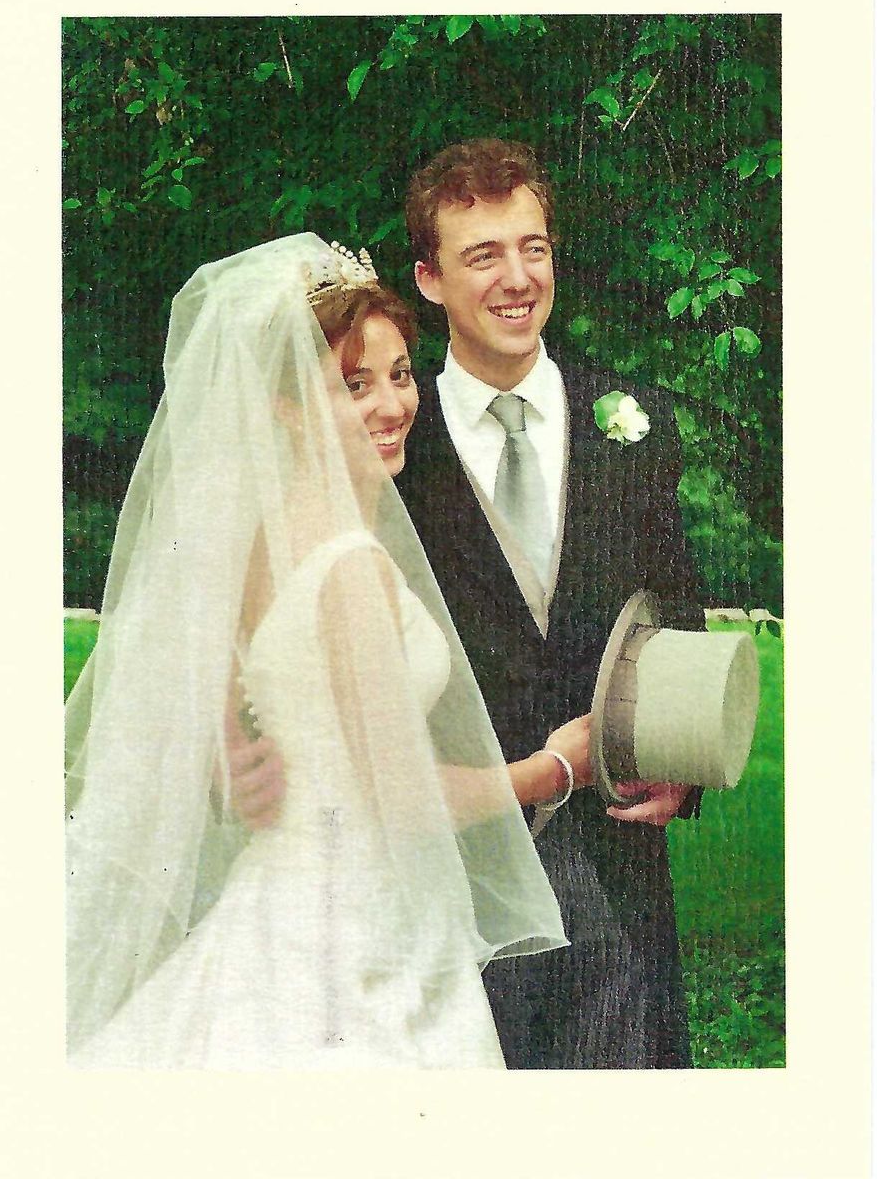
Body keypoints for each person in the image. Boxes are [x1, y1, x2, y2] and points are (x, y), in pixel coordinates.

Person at [64, 233, 573, 1070]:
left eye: (402, 374)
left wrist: (237, 750)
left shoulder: (255, 544)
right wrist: (559, 768)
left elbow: (211, 679)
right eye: (354, 385)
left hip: (290, 892)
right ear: (289, 406)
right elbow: (400, 798)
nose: (392, 404)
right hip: (355, 928)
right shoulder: (351, 568)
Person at [395, 138, 707, 1069]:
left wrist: (680, 767)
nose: (517, 277)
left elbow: (675, 609)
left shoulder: (634, 417)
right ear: (430, 279)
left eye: (533, 247)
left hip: (619, 866)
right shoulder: (388, 448)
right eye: (482, 254)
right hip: (458, 872)